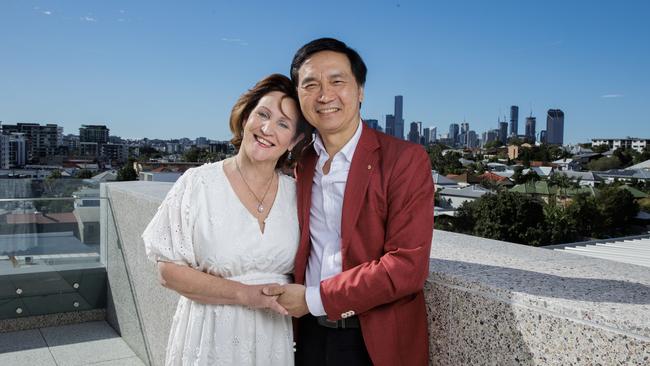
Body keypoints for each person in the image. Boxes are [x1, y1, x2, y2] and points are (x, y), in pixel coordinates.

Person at [263, 38, 435, 365]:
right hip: (307, 335)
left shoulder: (404, 159)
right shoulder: (299, 162)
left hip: (371, 340)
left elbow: (407, 267)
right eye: (311, 85)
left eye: (337, 81)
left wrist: (315, 299)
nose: (325, 95)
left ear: (360, 91)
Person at [142, 74, 312, 366]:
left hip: (271, 339)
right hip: (209, 335)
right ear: (246, 117)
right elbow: (167, 272)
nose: (267, 128)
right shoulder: (197, 183)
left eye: (283, 124)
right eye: (263, 114)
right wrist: (248, 296)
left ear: (293, 140)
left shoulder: (296, 194)